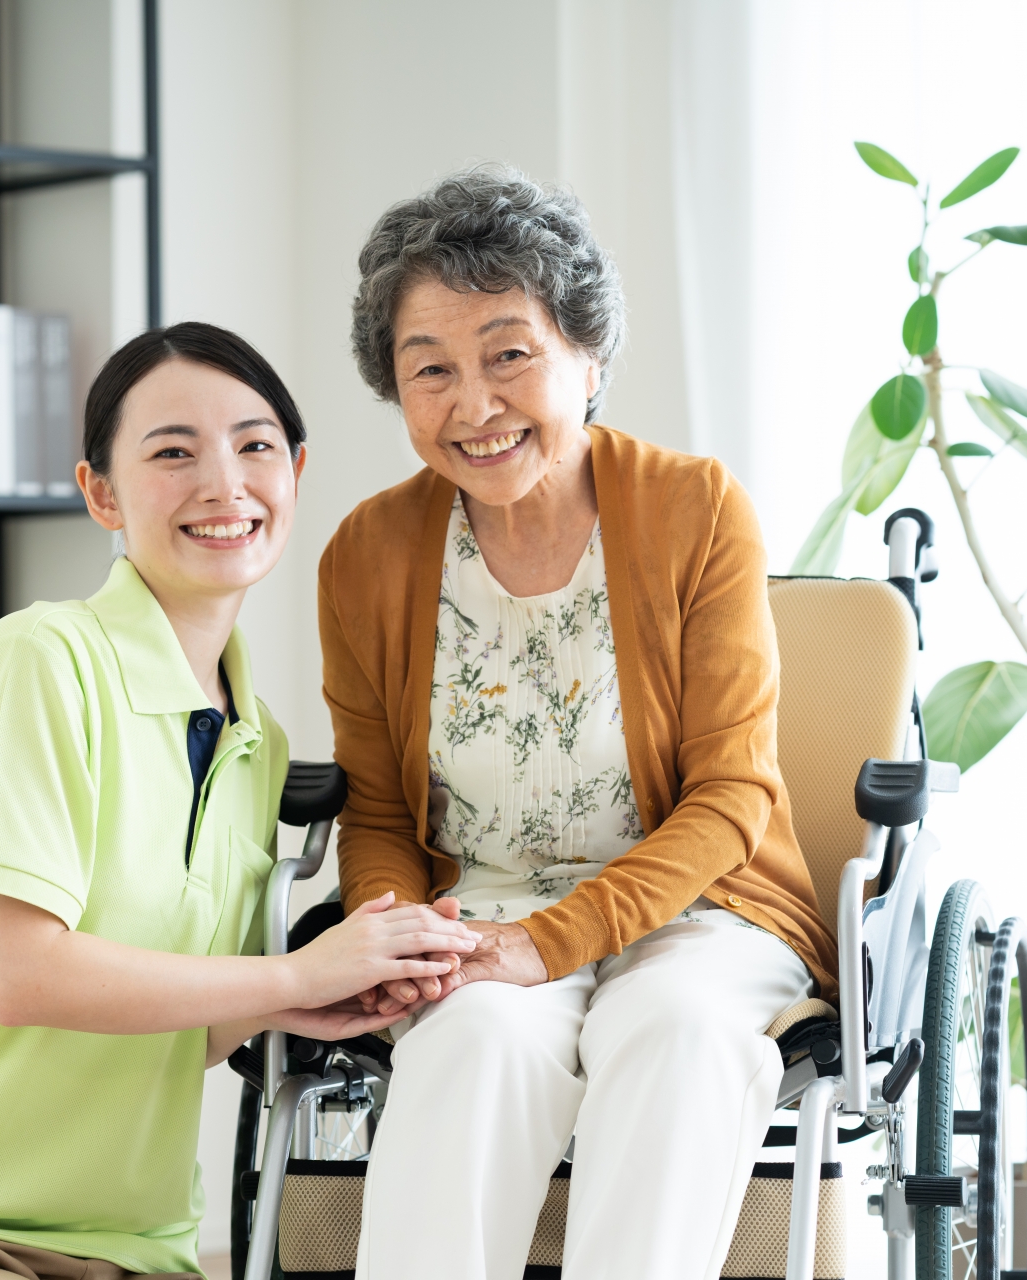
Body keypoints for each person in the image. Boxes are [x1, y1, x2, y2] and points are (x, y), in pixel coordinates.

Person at [0, 323, 477, 1280]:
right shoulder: (40, 662)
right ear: (100, 492)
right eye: (173, 453)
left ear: (297, 470)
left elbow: (172, 1028)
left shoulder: (255, 742)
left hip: (136, 1249)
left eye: (254, 444)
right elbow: (23, 976)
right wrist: (292, 978)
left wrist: (307, 1004)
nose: (224, 483)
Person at [319, 166, 841, 1280]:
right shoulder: (364, 554)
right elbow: (373, 808)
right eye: (432, 370)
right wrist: (393, 924)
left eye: (511, 352)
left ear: (587, 357)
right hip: (483, 915)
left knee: (673, 1033)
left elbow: (731, 796)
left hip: (703, 910)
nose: (474, 403)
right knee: (468, 1040)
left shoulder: (694, 507)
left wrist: (544, 943)